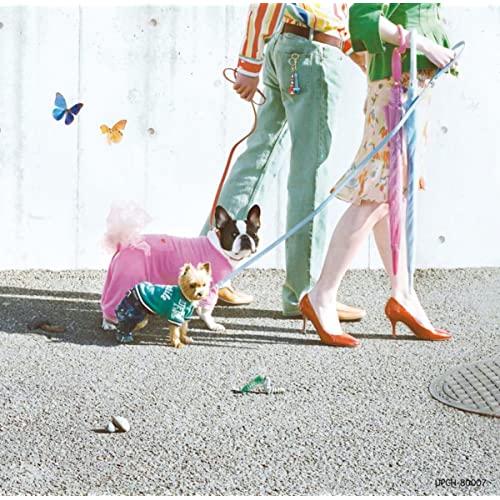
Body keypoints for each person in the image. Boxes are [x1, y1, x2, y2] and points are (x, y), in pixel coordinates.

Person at [299, 3, 457, 347]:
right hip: (397, 85)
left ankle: (404, 294)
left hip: (411, 83)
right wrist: (423, 43)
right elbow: (363, 16)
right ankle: (322, 294)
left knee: (390, 195)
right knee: (377, 193)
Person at [201, 3, 366, 321]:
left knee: (259, 158)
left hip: (291, 45)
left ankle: (205, 272)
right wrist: (249, 65)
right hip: (311, 51)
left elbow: (337, 14)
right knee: (311, 172)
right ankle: (305, 294)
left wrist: (358, 57)